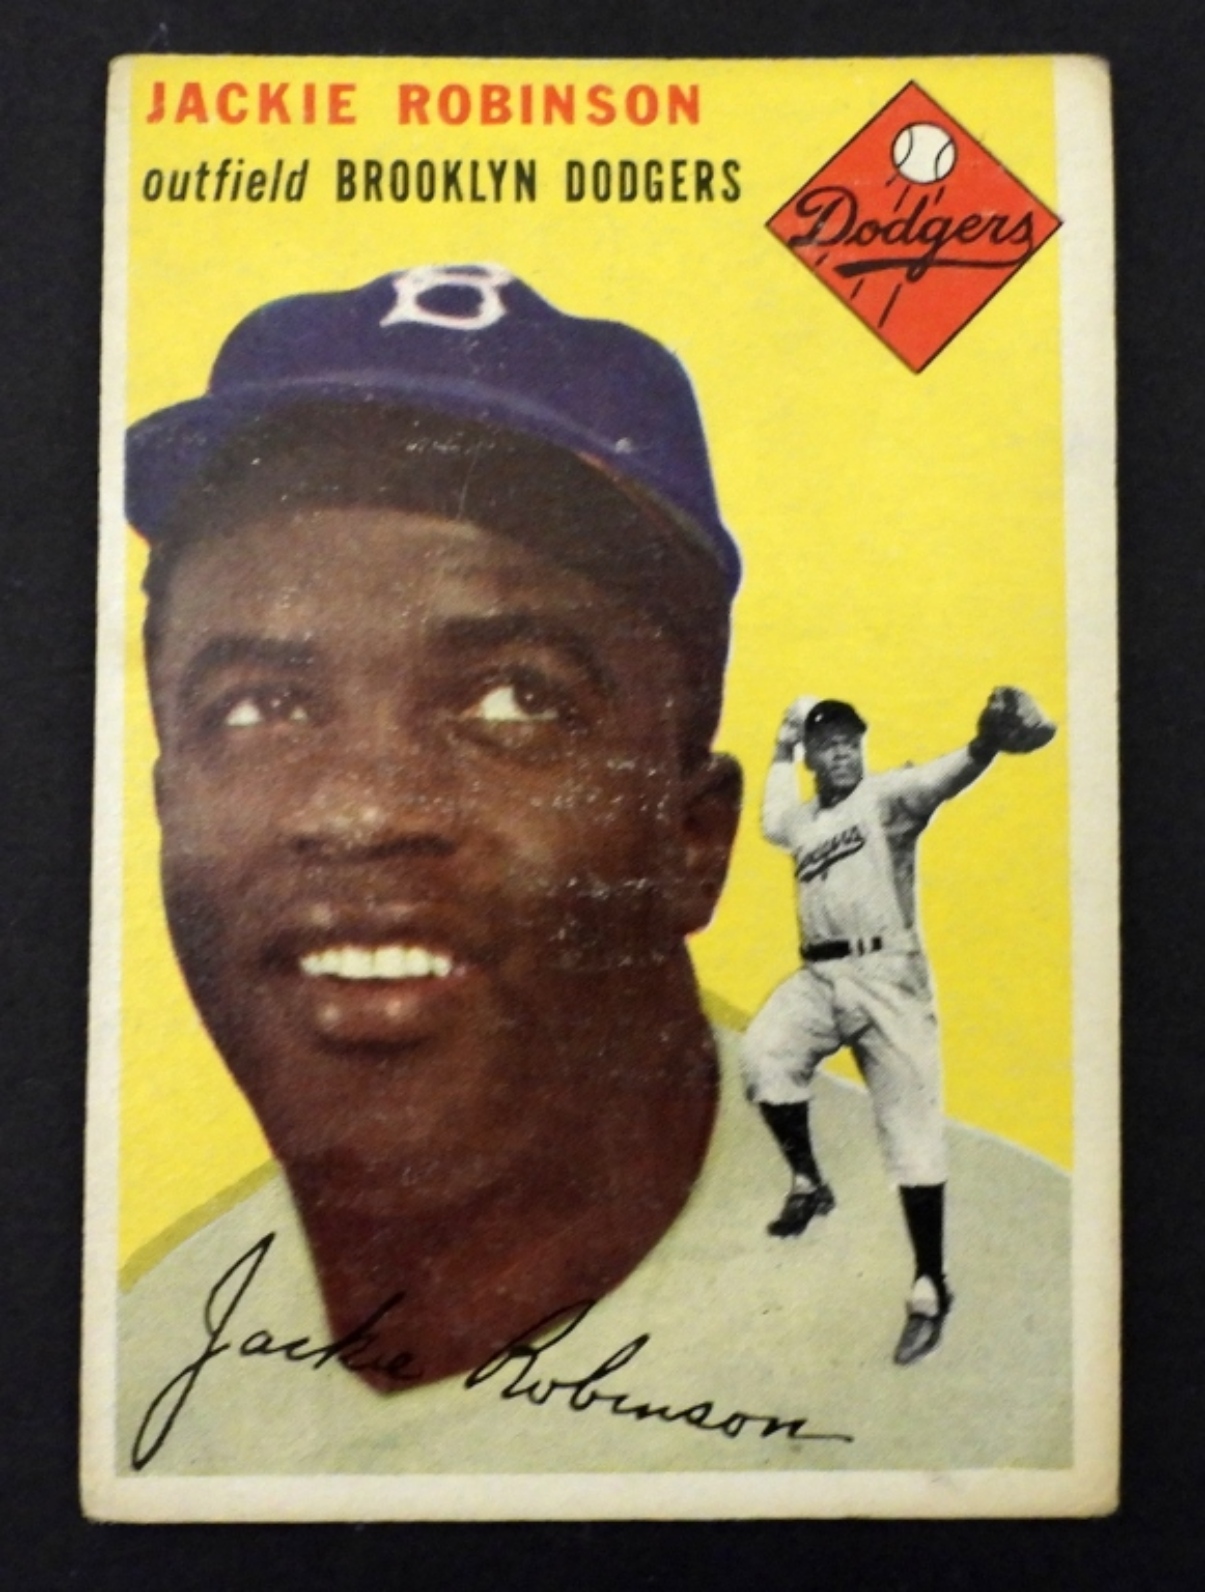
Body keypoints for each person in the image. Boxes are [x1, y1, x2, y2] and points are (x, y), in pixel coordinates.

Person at [126, 263, 745, 1400]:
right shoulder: (127, 1382)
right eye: (259, 706)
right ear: (166, 802)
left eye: (514, 698)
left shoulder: (1032, 1351)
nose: (360, 811)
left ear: (692, 837)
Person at [741, 689, 1055, 1366]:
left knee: (911, 1137)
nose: (842, 752)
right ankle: (808, 1182)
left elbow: (941, 777)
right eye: (828, 745)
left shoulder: (885, 797)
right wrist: (781, 746)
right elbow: (769, 818)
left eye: (849, 741)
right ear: (813, 759)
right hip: (819, 978)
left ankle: (929, 1286)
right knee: (764, 1056)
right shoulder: (800, 821)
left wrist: (985, 743)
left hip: (889, 978)